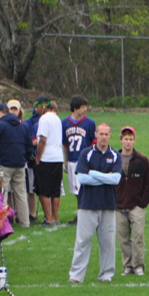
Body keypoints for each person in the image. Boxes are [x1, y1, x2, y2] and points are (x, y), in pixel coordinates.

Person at [68, 124, 121, 283]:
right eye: (101, 134)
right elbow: (82, 179)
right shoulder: (87, 153)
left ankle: (106, 275)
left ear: (110, 135)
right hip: (87, 204)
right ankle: (76, 276)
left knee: (108, 242)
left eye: (106, 134)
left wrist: (94, 174)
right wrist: (106, 177)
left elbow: (116, 179)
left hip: (108, 204)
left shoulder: (115, 155)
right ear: (96, 134)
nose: (104, 137)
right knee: (82, 241)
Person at [116, 126, 149, 277]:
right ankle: (127, 266)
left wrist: (142, 203)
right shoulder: (114, 158)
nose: (128, 142)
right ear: (121, 140)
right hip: (118, 206)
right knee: (123, 239)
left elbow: (148, 184)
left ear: (134, 140)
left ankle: (138, 265)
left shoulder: (142, 160)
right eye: (126, 139)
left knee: (138, 237)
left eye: (131, 139)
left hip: (136, 206)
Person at [0, 103, 33, 228]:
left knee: (2, 193)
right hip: (20, 164)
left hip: (4, 164)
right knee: (21, 193)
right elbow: (29, 146)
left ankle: (2, 223)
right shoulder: (22, 127)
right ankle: (25, 222)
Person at [61, 95, 96, 225]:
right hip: (72, 160)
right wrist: (66, 160)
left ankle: (84, 214)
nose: (85, 109)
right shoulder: (65, 123)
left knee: (82, 189)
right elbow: (64, 144)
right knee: (76, 190)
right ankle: (82, 213)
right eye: (82, 107)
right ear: (75, 108)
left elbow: (94, 143)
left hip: (84, 161)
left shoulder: (89, 123)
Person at [35, 102, 64, 226]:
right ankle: (55, 217)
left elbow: (42, 140)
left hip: (46, 157)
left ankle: (48, 219)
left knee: (44, 190)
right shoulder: (57, 118)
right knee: (55, 190)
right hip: (58, 157)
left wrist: (38, 157)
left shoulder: (44, 118)